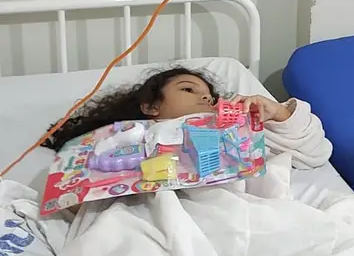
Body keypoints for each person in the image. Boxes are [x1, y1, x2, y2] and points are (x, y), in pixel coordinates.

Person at [43, 66, 333, 169]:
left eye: (210, 96)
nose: (206, 98)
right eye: (188, 89)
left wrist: (278, 113)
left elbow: (314, 154)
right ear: (151, 107)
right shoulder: (124, 138)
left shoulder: (235, 133)